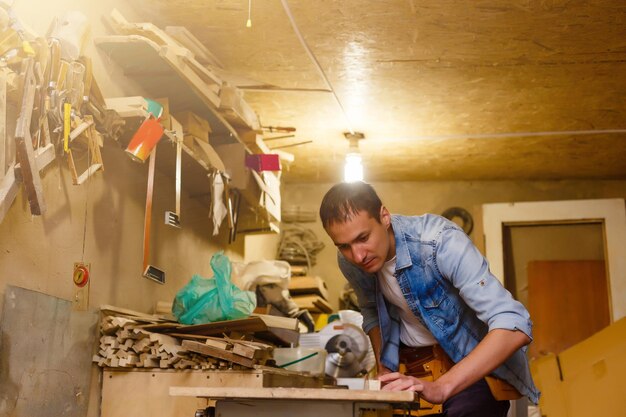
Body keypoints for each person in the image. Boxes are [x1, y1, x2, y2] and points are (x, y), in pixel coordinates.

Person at [319, 181, 539, 416]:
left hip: (467, 366)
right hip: (412, 365)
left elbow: (514, 324)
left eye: (363, 238)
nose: (358, 255)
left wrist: (442, 387)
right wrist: (384, 370)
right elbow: (372, 311)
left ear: (384, 216)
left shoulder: (439, 241)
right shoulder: (349, 261)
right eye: (344, 246)